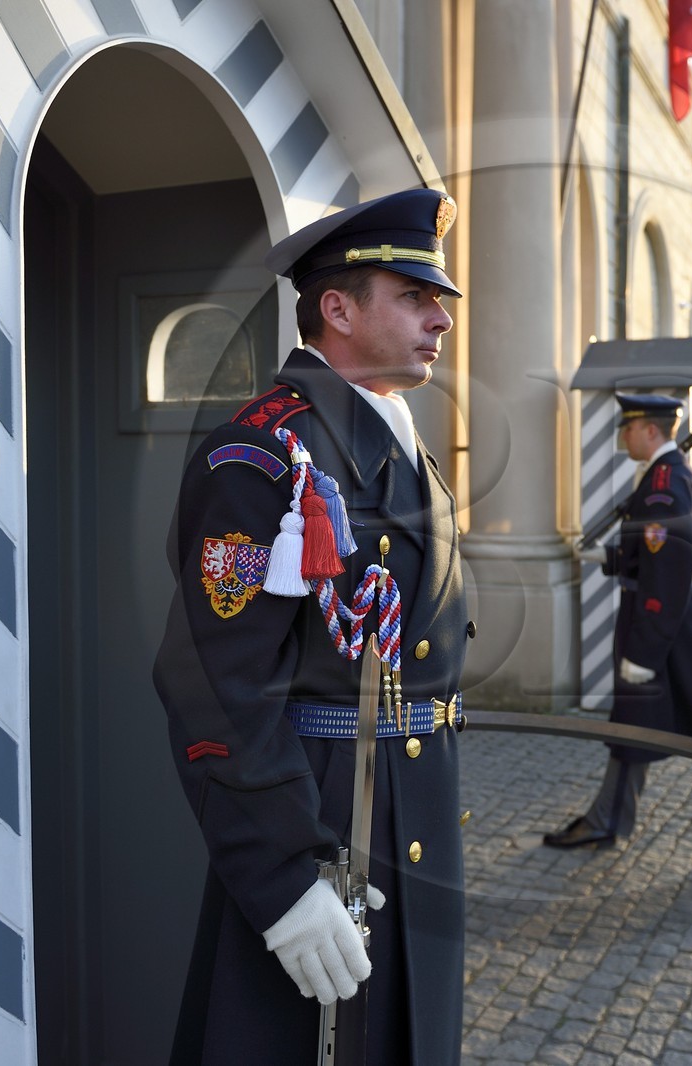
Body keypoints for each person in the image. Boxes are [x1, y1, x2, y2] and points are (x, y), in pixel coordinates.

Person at [153, 187, 473, 1064]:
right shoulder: (260, 458)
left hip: (410, 821)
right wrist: (285, 879)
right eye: (414, 297)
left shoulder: (400, 442)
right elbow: (212, 689)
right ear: (337, 307)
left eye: (437, 299)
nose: (439, 319)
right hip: (327, 832)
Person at [544, 394, 692, 860]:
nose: (622, 436)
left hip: (665, 621)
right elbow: (655, 550)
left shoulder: (664, 484)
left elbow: (668, 568)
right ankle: (610, 818)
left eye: (628, 427)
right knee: (637, 727)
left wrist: (645, 650)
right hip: (679, 618)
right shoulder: (671, 476)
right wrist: (612, 556)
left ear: (650, 431)